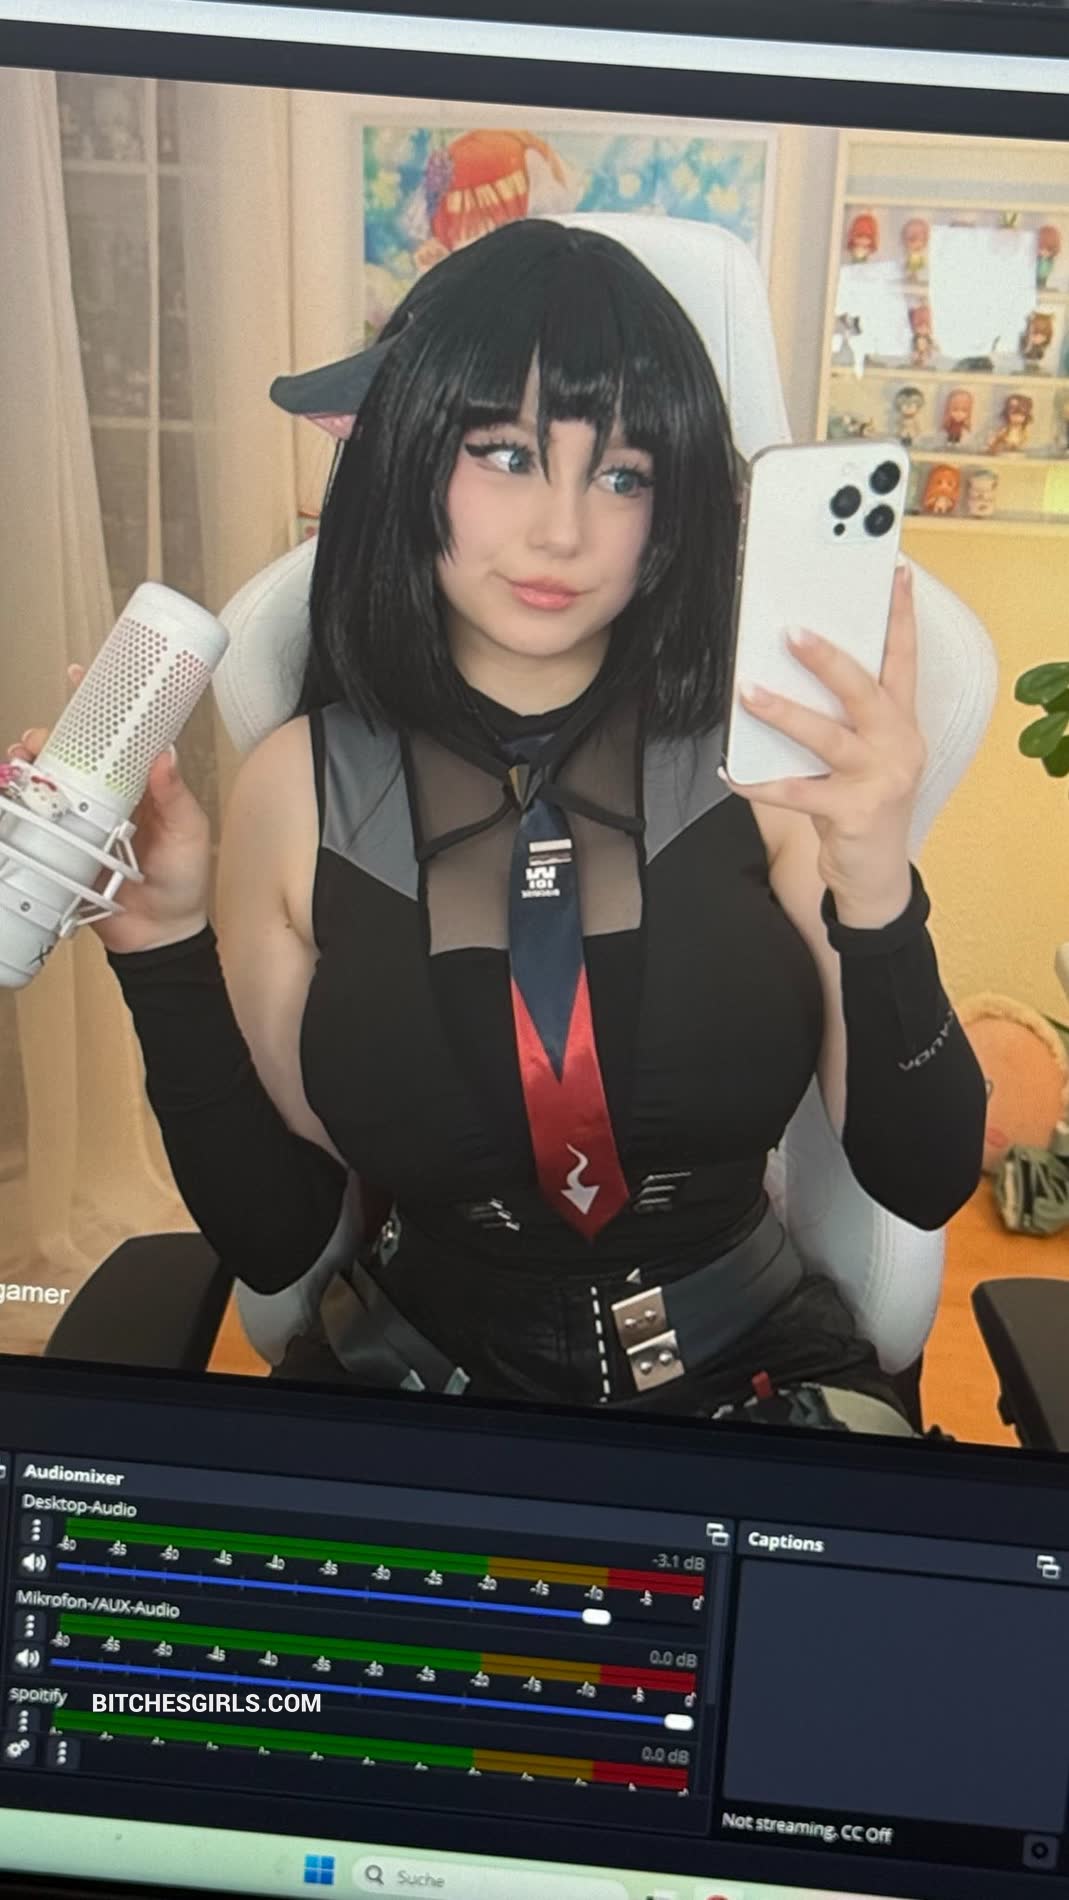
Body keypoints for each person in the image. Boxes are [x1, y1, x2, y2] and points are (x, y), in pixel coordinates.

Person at [11, 220, 986, 1433]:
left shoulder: (770, 770)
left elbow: (922, 1177)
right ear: (410, 455)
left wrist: (877, 882)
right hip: (416, 1385)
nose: (561, 532)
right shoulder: (295, 790)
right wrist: (160, 946)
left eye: (621, 474)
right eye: (507, 455)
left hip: (753, 1383)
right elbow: (275, 1242)